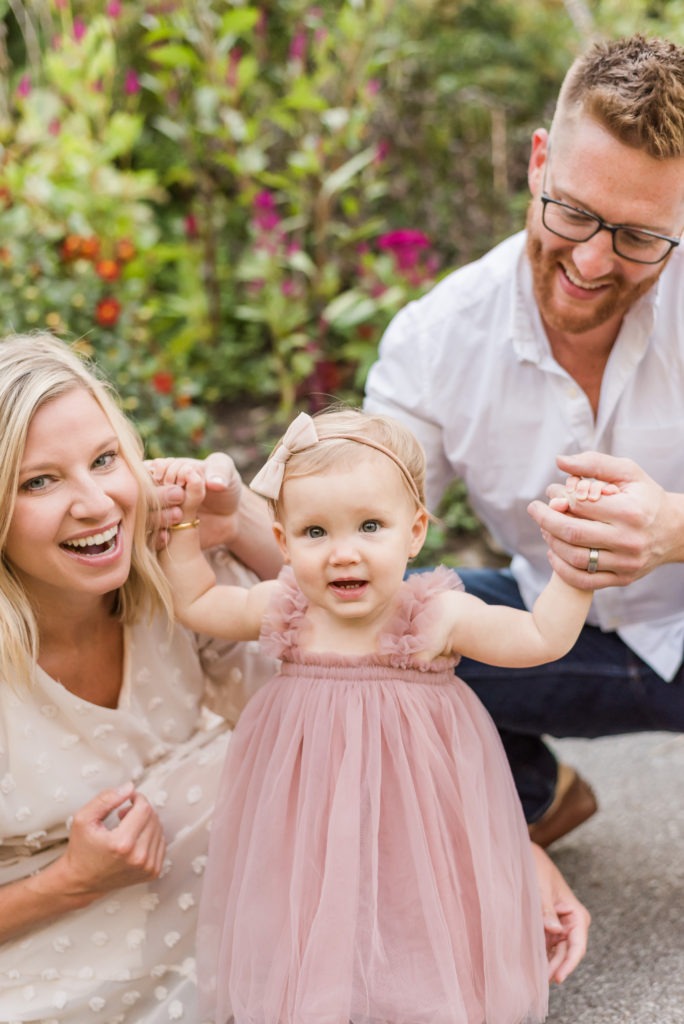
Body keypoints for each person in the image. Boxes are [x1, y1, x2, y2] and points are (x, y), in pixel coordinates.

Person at [155, 406, 593, 1024]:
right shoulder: (285, 607)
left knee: (418, 892)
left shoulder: (434, 616)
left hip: (415, 799)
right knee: (312, 892)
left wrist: (575, 569)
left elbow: (542, 637)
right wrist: (180, 524)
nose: (343, 554)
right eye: (315, 533)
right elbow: (196, 601)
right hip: (310, 800)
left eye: (369, 526)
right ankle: (325, 998)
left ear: (413, 532)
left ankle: (423, 997)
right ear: (282, 541)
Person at [364, 33, 684, 848]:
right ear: (540, 160)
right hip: (549, 636)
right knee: (378, 622)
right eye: (572, 211)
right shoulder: (435, 338)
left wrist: (673, 530)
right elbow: (359, 524)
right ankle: (534, 799)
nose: (590, 259)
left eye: (640, 237)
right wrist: (227, 520)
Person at [0, 331, 285, 1023]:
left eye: (105, 460)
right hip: (46, 949)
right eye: (40, 480)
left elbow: (354, 665)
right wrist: (70, 882)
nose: (97, 503)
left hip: (221, 916)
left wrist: (238, 523)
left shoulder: (172, 580)